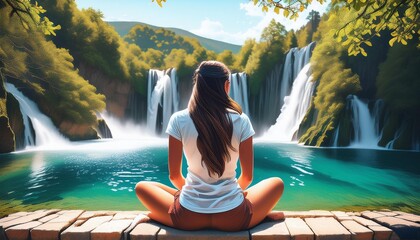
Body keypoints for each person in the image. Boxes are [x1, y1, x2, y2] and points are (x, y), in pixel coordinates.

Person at [135, 60, 284, 231]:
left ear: (197, 85)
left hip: (187, 218)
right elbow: (247, 178)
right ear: (227, 86)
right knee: (276, 183)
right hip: (235, 218)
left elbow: (174, 177)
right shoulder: (241, 121)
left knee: (142, 187)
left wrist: (198, 195)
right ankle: (260, 216)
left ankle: (155, 216)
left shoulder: (178, 120)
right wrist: (227, 195)